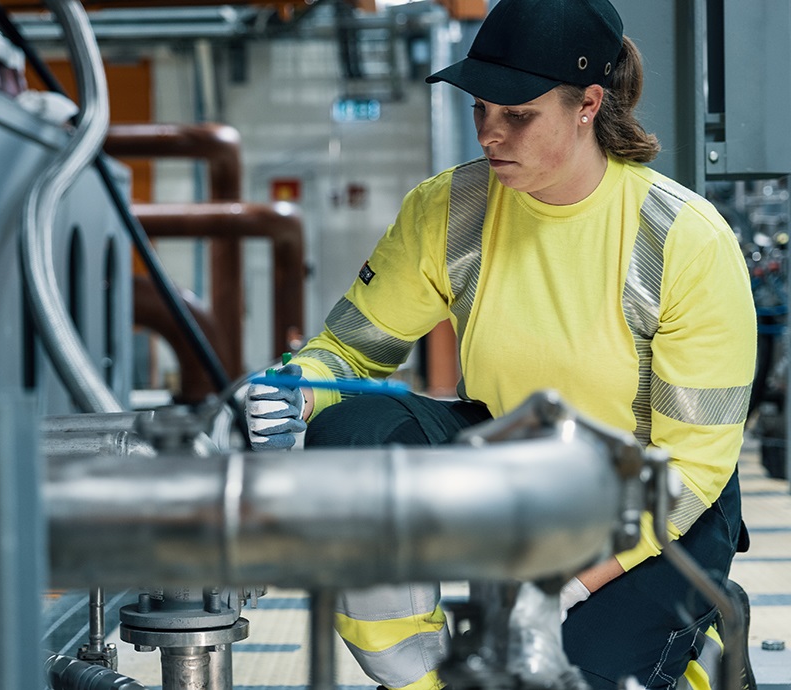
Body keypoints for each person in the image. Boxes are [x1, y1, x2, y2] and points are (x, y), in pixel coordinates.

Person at [243, 0, 753, 689]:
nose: (489, 133)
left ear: (587, 105)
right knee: (353, 435)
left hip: (655, 504)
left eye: (517, 115)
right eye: (481, 108)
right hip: (518, 467)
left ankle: (700, 638)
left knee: (561, 673)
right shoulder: (452, 209)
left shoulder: (683, 240)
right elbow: (352, 351)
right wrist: (291, 393)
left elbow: (691, 472)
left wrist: (563, 589)